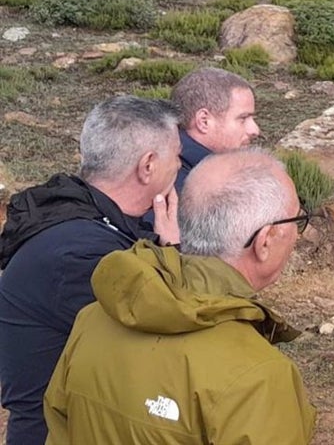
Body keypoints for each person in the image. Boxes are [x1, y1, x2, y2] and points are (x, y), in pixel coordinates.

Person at [43, 150, 317, 444]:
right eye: (296, 221)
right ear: (264, 242)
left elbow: (60, 429)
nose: (298, 234)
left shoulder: (93, 319)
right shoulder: (259, 377)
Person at [0, 96, 181, 445]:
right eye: (176, 156)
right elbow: (164, 330)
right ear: (147, 166)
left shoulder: (81, 219)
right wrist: (170, 251)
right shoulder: (80, 253)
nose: (179, 166)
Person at [169, 67, 260, 194]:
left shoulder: (170, 163)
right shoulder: (185, 191)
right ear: (204, 121)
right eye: (243, 118)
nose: (255, 130)